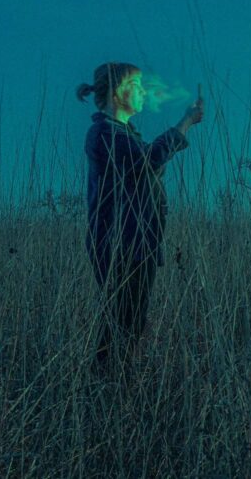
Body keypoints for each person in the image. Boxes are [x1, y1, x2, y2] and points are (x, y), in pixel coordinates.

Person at [77, 63, 204, 370]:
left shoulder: (124, 133)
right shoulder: (104, 133)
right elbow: (148, 160)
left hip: (137, 242)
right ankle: (107, 384)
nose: (144, 92)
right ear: (117, 93)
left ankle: (117, 384)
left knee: (130, 322)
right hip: (119, 243)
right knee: (122, 322)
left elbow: (146, 167)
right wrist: (185, 122)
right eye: (136, 86)